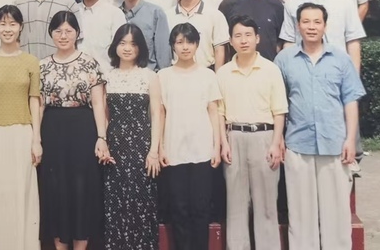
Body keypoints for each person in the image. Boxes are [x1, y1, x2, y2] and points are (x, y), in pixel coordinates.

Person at [275, 3, 366, 250]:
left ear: (325, 25)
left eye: (317, 22)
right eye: (306, 21)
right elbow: (277, 103)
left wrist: (350, 139)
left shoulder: (341, 59)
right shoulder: (284, 60)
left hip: (334, 143)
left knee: (336, 212)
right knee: (300, 213)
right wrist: (278, 138)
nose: (311, 27)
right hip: (297, 145)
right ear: (298, 26)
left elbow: (350, 100)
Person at [38, 11, 111, 250]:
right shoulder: (42, 66)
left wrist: (101, 137)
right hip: (52, 130)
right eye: (58, 31)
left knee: (82, 188)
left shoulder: (89, 63)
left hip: (83, 129)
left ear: (77, 33)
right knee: (55, 188)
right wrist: (36, 138)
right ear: (51, 34)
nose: (63, 35)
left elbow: (98, 103)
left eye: (69, 31)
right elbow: (39, 105)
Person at [0, 5, 42, 250]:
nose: (7, 29)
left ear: (20, 27)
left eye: (12, 24)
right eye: (3, 24)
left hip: (23, 134)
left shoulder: (31, 62)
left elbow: (34, 101)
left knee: (21, 192)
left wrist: (36, 139)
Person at [217, 15, 288, 250]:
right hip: (234, 138)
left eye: (248, 35)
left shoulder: (271, 69)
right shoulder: (223, 73)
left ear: (257, 38)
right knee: (235, 206)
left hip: (264, 137)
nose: (243, 40)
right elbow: (220, 113)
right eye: (238, 36)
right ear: (231, 41)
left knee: (266, 205)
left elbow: (279, 110)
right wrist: (224, 143)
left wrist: (276, 143)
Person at [158, 23, 222, 250]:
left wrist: (216, 146)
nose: (185, 47)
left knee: (200, 209)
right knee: (179, 209)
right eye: (179, 42)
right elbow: (161, 114)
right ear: (173, 45)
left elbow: (213, 111)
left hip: (202, 150)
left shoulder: (208, 75)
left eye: (189, 42)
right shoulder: (163, 76)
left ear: (197, 44)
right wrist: (160, 147)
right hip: (174, 150)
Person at [102, 24, 162, 250]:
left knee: (142, 203)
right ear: (115, 46)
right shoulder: (107, 77)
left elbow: (156, 114)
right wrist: (104, 144)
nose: (127, 48)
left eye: (133, 44)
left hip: (141, 147)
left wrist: (154, 151)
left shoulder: (149, 76)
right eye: (122, 43)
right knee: (114, 205)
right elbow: (104, 115)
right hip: (114, 147)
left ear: (141, 48)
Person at [165, 0, 229, 70]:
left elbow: (219, 50)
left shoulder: (214, 15)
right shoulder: (167, 16)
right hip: (176, 73)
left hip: (207, 72)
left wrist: (217, 76)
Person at [116, 0, 171, 71]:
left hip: (149, 74)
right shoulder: (114, 14)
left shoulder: (155, 13)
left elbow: (163, 53)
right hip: (120, 75)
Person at [76, 0, 127, 73]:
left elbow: (122, 49)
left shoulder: (114, 14)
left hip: (107, 76)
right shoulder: (73, 12)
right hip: (76, 76)